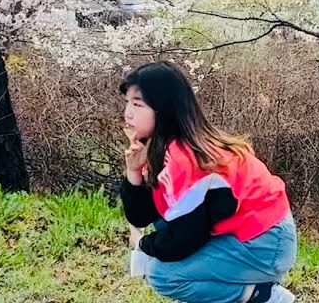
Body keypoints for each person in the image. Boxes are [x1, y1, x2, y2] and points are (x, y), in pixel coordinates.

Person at [118, 61, 297, 303]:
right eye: (127, 102)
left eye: (138, 104)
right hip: (256, 235)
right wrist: (134, 173)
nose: (128, 113)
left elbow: (186, 237)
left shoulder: (183, 158)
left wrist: (143, 244)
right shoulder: (165, 147)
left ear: (164, 109)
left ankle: (263, 296)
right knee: (164, 224)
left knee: (163, 275)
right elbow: (142, 216)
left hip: (266, 243)